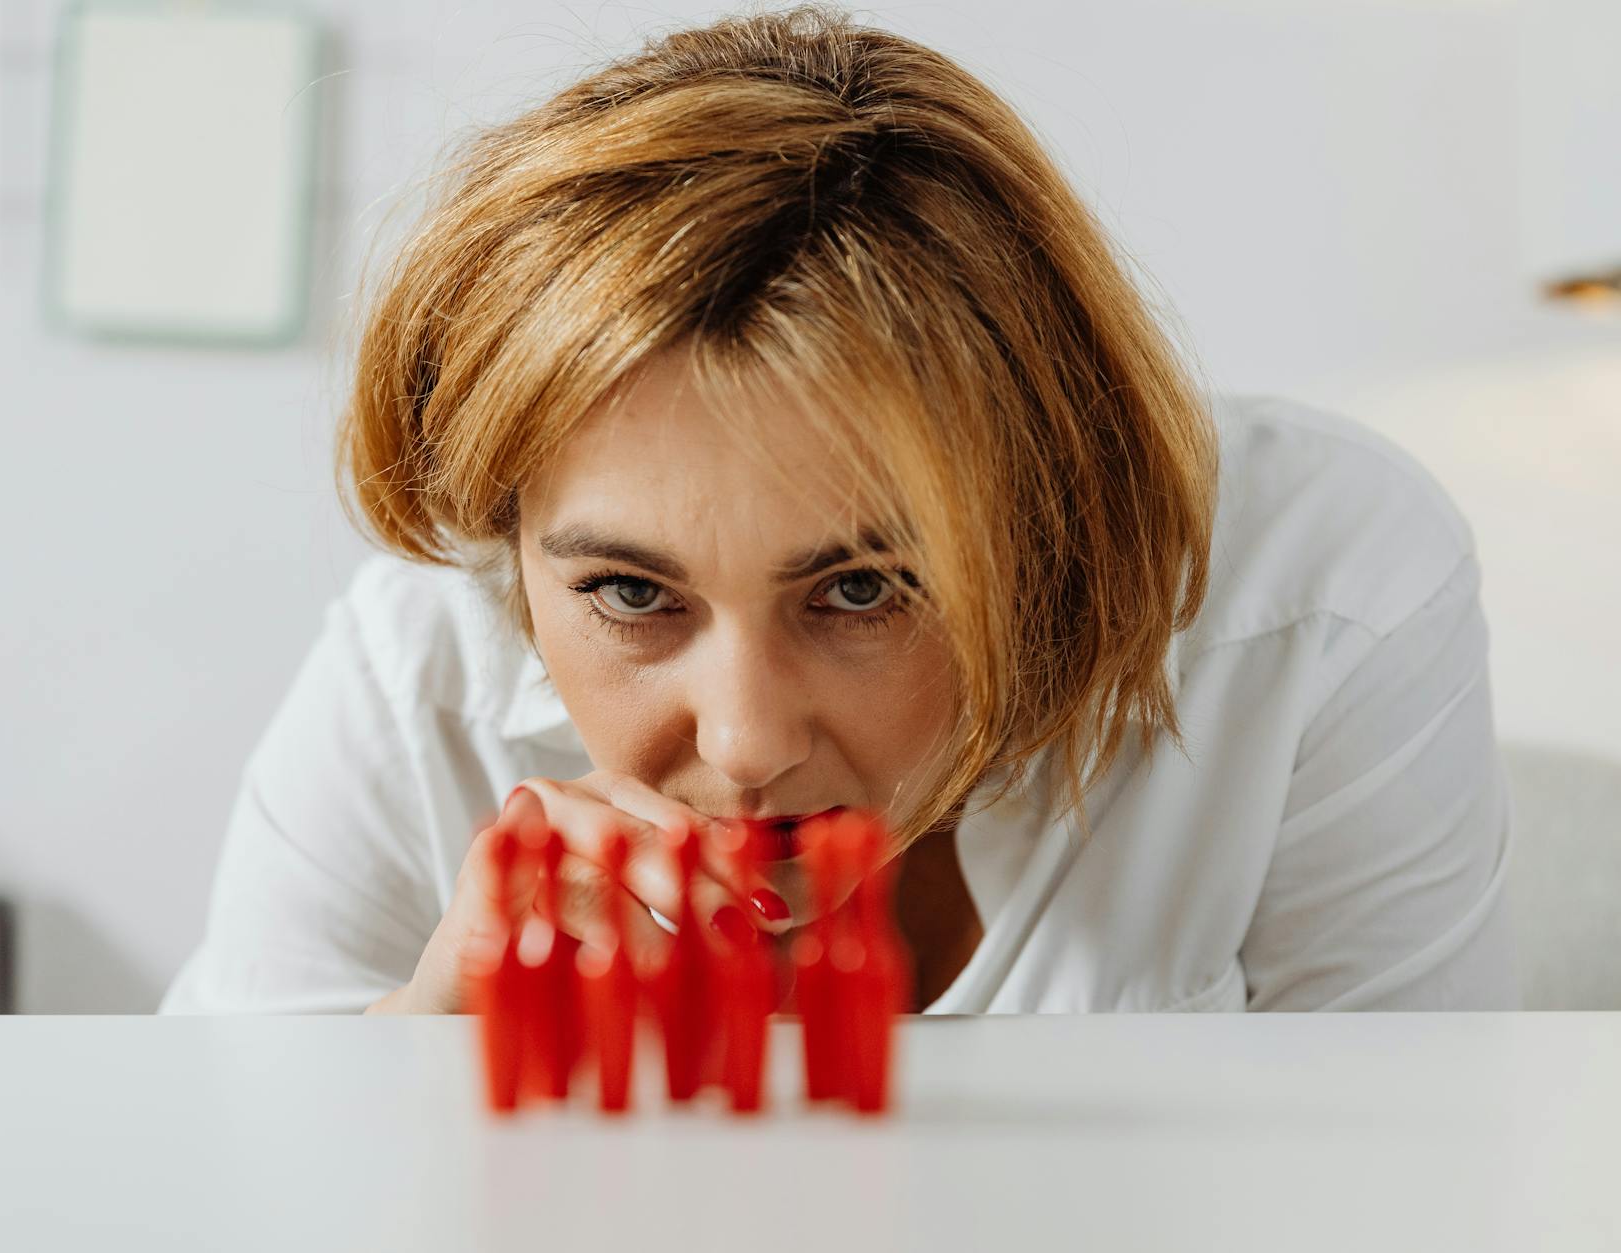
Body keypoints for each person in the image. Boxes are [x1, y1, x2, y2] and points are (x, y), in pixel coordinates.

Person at [159, 6, 1517, 1016]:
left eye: (865, 588)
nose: (747, 745)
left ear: (1048, 527)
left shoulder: (1325, 596)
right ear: (512, 545)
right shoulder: (418, 678)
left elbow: (1433, 1192)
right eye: (631, 594)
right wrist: (412, 1068)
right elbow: (198, 1185)